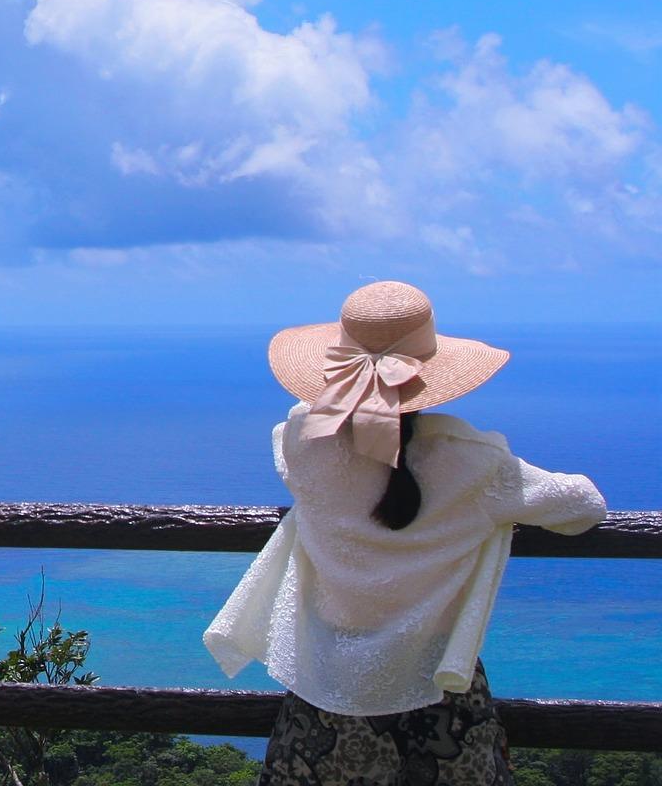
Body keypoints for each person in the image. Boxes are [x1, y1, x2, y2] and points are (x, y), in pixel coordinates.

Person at [205, 281, 606, 786]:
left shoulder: (304, 448)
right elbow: (584, 507)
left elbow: (296, 430)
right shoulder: (476, 465)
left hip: (324, 691)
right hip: (439, 693)